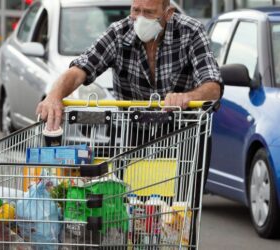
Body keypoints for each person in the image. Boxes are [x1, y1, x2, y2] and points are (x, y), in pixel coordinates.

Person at [37, 0, 223, 248]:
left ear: (168, 14)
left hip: (183, 138)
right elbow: (80, 69)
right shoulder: (119, 32)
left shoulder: (190, 31)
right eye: (136, 10)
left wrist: (188, 97)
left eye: (149, 13)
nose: (139, 18)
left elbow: (213, 85)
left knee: (179, 217)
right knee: (128, 211)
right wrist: (54, 96)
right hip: (133, 135)